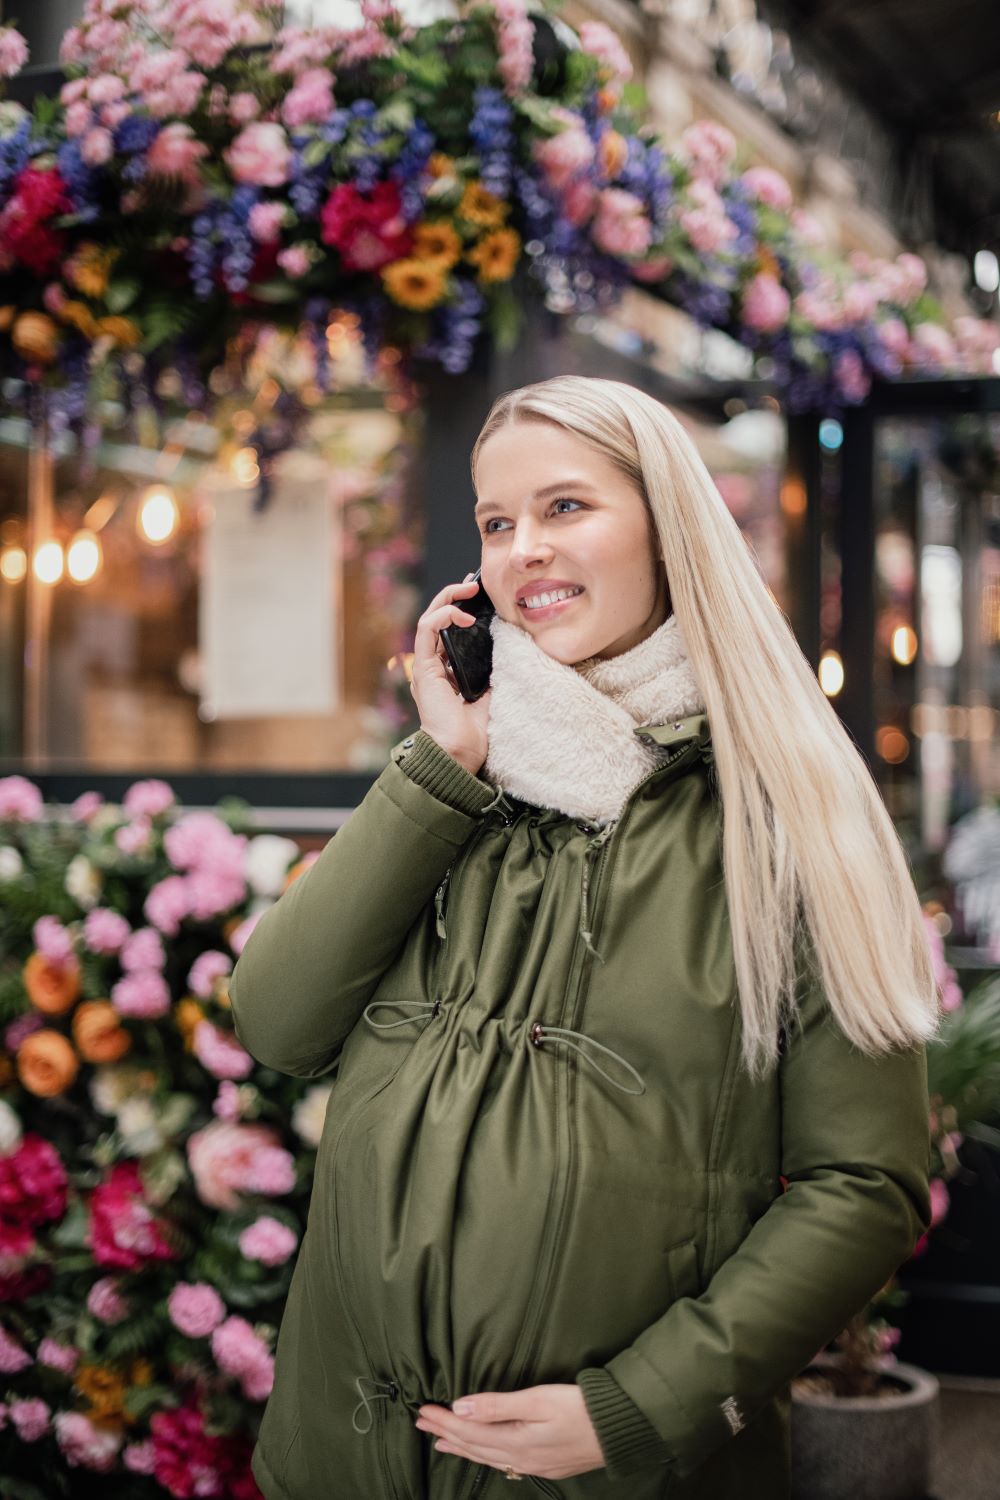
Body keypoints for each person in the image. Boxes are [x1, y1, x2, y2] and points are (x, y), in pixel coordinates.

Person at [229, 375, 938, 1500]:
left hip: (612, 1477)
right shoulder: (458, 780)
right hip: (343, 1457)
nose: (524, 551)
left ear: (669, 527)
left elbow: (865, 1182)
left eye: (565, 508)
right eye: (497, 523)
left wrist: (641, 1409)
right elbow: (274, 1021)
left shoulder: (787, 819)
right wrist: (437, 768)